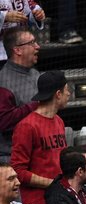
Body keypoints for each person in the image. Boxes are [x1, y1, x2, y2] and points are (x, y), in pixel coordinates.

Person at [11, 70, 69, 204]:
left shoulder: (59, 121)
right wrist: (52, 183)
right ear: (58, 94)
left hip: (60, 199)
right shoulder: (26, 126)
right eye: (67, 90)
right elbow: (17, 171)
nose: (69, 94)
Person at [0, 28, 40, 163]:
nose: (37, 46)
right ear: (18, 50)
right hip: (13, 157)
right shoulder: (3, 81)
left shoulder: (35, 74)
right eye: (32, 43)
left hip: (38, 150)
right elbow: (4, 121)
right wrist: (39, 105)